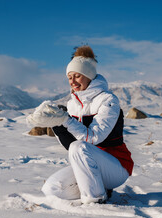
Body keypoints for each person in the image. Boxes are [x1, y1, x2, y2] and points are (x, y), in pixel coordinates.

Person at [27, 46, 134, 204]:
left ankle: (95, 199)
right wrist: (56, 124)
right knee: (52, 189)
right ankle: (98, 187)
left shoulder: (108, 100)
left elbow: (92, 139)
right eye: (69, 77)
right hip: (89, 165)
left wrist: (65, 120)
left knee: (80, 147)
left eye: (77, 76)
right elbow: (71, 145)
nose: (72, 82)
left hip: (116, 166)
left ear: (88, 75)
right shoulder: (72, 104)